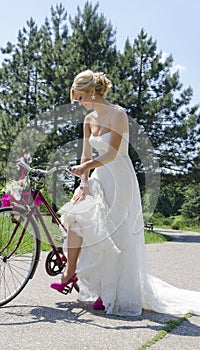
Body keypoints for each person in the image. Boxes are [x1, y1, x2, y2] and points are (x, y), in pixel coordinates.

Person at [50, 69, 200, 316]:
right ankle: (69, 274)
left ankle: (106, 293)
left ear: (93, 91)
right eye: (76, 98)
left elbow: (112, 153)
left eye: (80, 96)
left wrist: (86, 166)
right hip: (97, 177)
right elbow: (86, 155)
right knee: (77, 218)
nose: (79, 102)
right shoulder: (88, 120)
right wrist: (84, 183)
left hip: (119, 178)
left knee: (113, 234)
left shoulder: (118, 115)